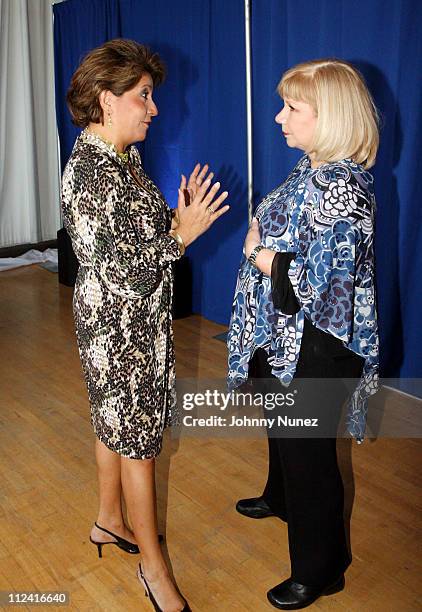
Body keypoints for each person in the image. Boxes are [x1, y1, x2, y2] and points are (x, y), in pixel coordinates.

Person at [62, 38, 229, 612]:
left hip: (134, 324)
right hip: (118, 330)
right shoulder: (89, 174)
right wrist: (183, 233)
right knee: (139, 445)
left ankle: (109, 521)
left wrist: (173, 216)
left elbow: (141, 237)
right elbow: (129, 272)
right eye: (144, 96)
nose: (153, 108)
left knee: (116, 427)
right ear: (108, 101)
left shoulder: (121, 157)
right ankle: (154, 570)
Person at [227, 58, 379, 610]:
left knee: (310, 454)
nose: (277, 118)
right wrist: (262, 231)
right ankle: (280, 496)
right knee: (282, 429)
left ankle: (321, 568)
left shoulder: (344, 189)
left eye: (292, 108)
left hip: (319, 343)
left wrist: (263, 256)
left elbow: (328, 286)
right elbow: (284, 223)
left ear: (331, 116)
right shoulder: (311, 169)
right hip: (284, 332)